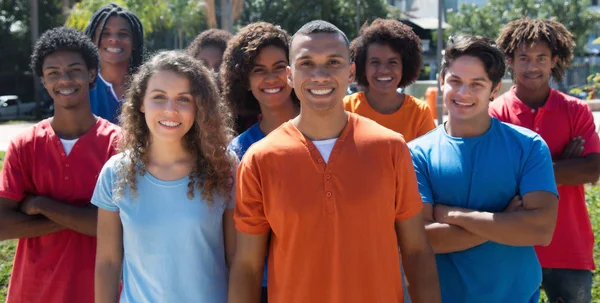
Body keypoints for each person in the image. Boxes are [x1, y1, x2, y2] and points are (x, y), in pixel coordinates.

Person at [229, 20, 440, 303]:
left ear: (351, 71)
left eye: (333, 62)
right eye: (306, 63)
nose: (320, 75)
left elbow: (416, 250)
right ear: (290, 75)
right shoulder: (259, 159)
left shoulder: (391, 147)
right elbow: (248, 267)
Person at [409, 35, 559, 303]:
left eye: (476, 84)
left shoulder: (528, 146)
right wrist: (503, 221)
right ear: (442, 80)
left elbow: (540, 230)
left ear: (495, 88)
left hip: (516, 296)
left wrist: (454, 214)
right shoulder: (416, 154)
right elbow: (422, 241)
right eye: (455, 81)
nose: (463, 93)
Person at [93, 50, 237, 303]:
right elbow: (107, 262)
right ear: (140, 102)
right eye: (159, 97)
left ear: (199, 106)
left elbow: (236, 258)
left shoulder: (224, 167)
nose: (170, 110)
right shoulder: (115, 173)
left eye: (183, 99)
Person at [0, 26, 120, 303]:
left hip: (98, 292)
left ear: (91, 74)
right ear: (43, 80)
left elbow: (119, 225)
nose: (64, 79)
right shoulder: (25, 145)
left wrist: (42, 205)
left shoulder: (118, 144)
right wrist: (86, 218)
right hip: (31, 293)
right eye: (53, 72)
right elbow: (4, 225)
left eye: (74, 69)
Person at [491, 18, 600, 303]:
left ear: (554, 60)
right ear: (511, 61)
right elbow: (496, 177)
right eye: (524, 58)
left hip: (569, 246)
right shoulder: (495, 113)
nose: (532, 66)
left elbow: (592, 168)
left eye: (541, 58)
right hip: (512, 245)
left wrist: (523, 171)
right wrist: (565, 165)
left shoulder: (575, 110)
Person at [221, 21, 299, 302]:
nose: (271, 78)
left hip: (324, 276)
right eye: (258, 70)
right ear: (245, 80)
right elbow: (238, 245)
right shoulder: (239, 151)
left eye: (279, 66)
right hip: (266, 285)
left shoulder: (325, 132)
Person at [344, 18, 435, 142]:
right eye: (375, 62)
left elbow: (426, 160)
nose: (384, 70)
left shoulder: (419, 112)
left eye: (393, 62)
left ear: (405, 66)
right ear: (362, 66)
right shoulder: (345, 108)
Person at [84, 3, 144, 124]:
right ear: (93, 40)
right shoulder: (81, 88)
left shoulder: (147, 86)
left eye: (123, 34)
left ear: (134, 42)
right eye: (105, 33)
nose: (114, 39)